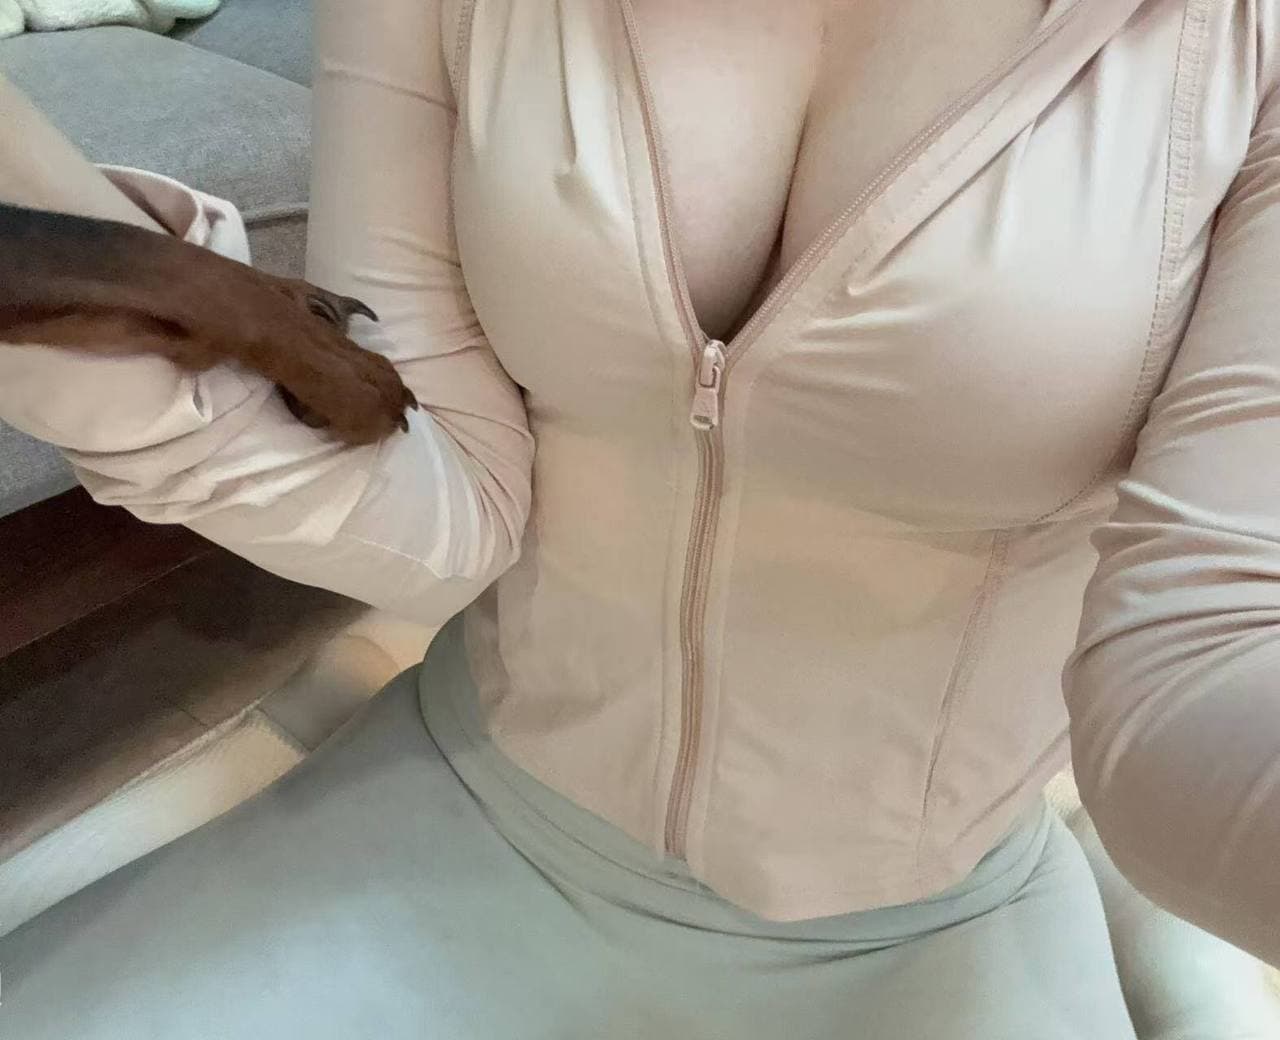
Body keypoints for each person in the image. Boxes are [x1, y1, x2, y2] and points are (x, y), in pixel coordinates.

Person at [1, 0, 1278, 1035]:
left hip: (915, 922)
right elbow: (437, 500)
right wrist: (58, 267)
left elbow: (1201, 653)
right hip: (470, 810)